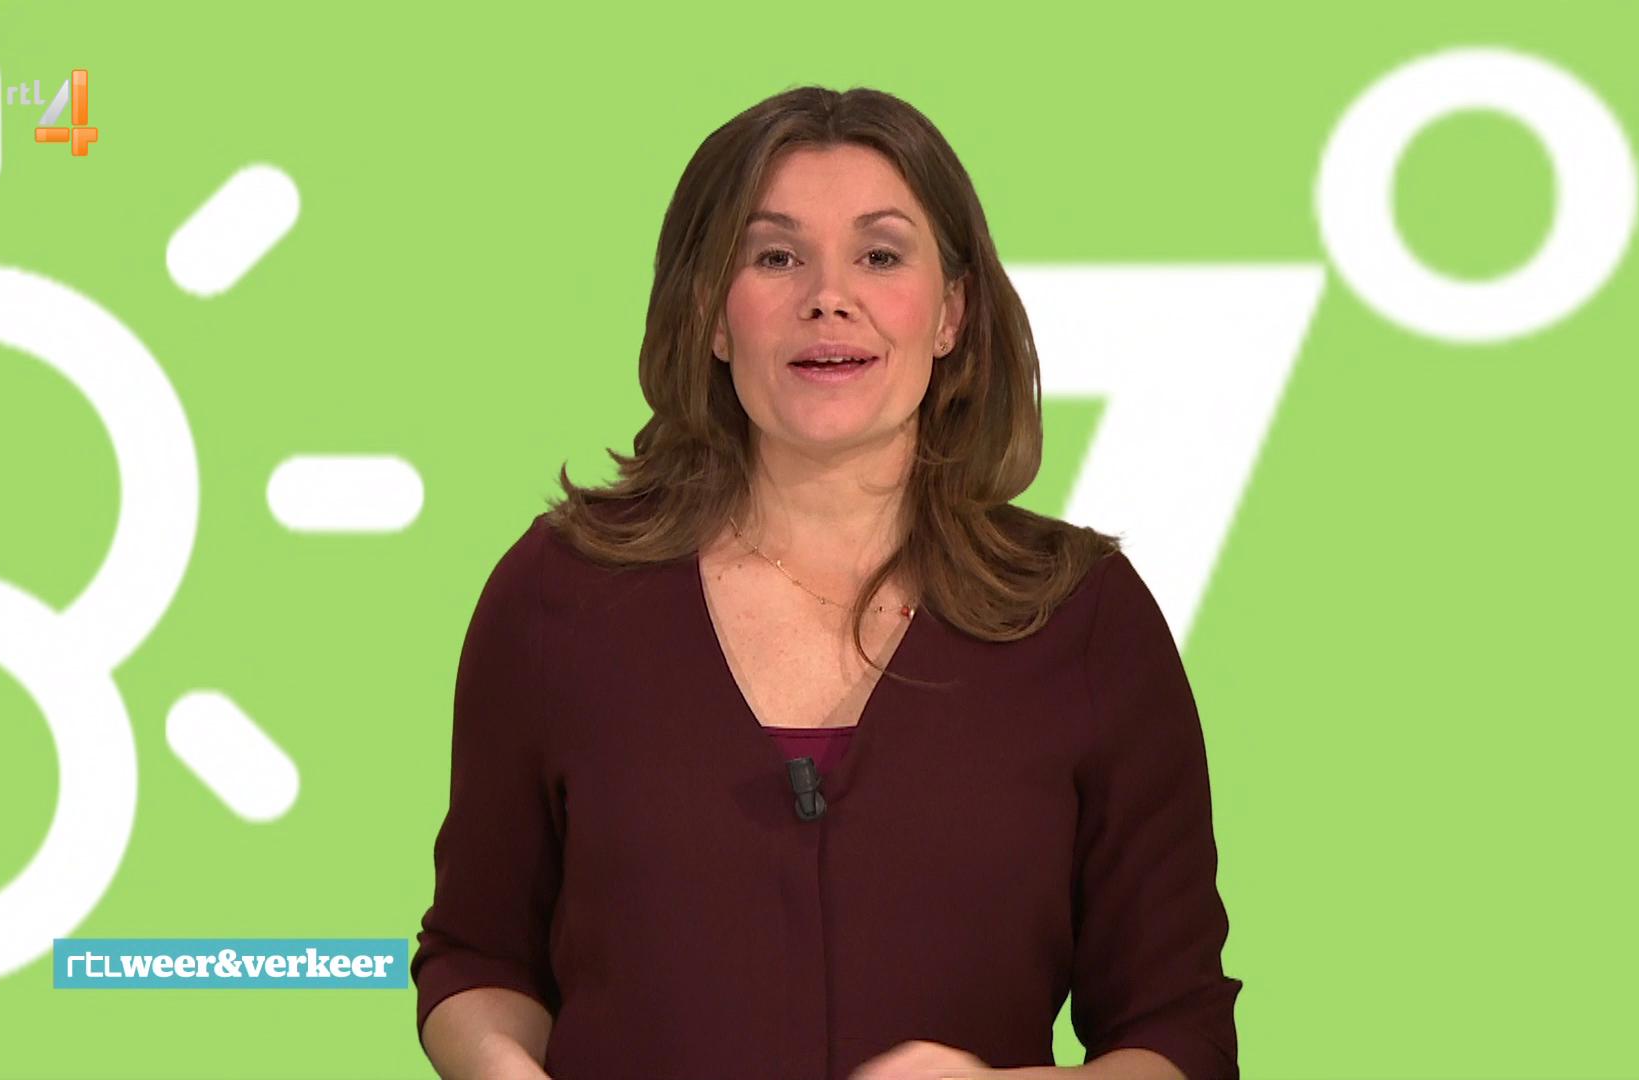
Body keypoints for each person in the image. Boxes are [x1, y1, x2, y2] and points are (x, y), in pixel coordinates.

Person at [412, 85, 1242, 1080]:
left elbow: (1178, 1033)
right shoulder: (557, 597)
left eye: (881, 256)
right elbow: (476, 957)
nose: (828, 297)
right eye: (774, 257)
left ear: (952, 313)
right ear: (711, 315)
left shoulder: (1085, 617)